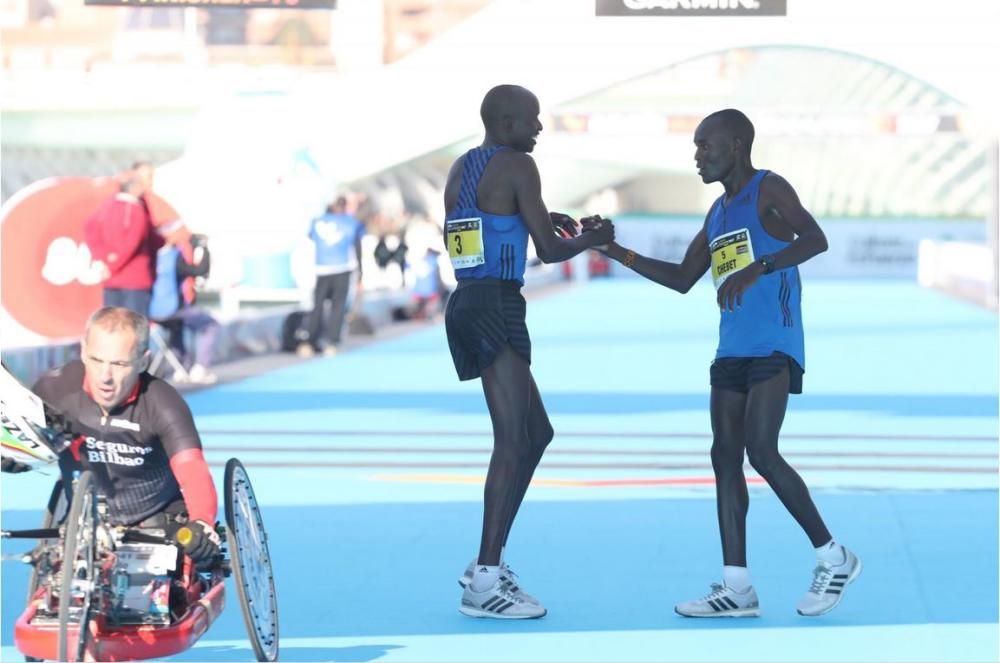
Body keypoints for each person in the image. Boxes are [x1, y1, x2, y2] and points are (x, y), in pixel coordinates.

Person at [593, 109, 861, 618]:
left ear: (736, 145)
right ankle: (736, 586)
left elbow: (815, 239)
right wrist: (614, 250)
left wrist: (759, 268)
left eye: (705, 146)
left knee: (761, 449)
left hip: (775, 343)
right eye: (695, 148)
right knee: (724, 457)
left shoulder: (769, 189)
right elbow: (680, 278)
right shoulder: (716, 214)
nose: (698, 156)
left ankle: (835, 556)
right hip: (731, 350)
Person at [445, 84, 614, 619]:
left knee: (536, 433)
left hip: (468, 301)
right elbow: (549, 250)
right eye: (532, 120)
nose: (539, 129)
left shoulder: (462, 167)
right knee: (512, 440)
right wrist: (593, 238)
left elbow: (485, 225)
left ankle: (486, 565)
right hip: (497, 303)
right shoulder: (519, 164)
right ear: (507, 121)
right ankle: (485, 580)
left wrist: (538, 216)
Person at [30, 306, 220, 565]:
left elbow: (192, 468)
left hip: (156, 520)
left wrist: (201, 520)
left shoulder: (163, 402)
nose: (105, 377)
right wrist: (11, 457)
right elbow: (22, 440)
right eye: (97, 360)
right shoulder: (53, 389)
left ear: (143, 361)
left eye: (119, 364)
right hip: (83, 520)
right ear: (84, 351)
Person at [84, 162, 162, 316]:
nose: (149, 183)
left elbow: (90, 228)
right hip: (134, 279)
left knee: (111, 325)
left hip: (112, 278)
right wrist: (112, 263)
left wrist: (103, 259)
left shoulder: (107, 205)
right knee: (133, 328)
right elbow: (133, 241)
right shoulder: (136, 209)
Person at [149, 222, 221, 384]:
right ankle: (200, 368)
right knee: (210, 325)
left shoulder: (150, 257)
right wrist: (203, 248)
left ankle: (182, 367)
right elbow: (200, 270)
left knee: (176, 327)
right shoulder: (173, 257)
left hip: (152, 312)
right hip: (173, 310)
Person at [297, 196, 365, 358]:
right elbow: (357, 248)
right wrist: (360, 274)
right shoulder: (351, 222)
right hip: (342, 269)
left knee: (317, 306)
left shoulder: (318, 221)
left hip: (322, 269)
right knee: (337, 307)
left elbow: (310, 240)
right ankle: (332, 343)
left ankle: (309, 342)